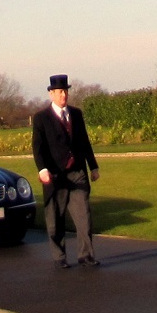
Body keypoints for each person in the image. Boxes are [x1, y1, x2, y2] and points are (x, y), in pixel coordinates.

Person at [30, 74, 100, 268]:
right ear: (51, 94)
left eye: (66, 91)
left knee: (84, 217)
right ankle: (59, 257)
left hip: (77, 173)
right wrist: (42, 169)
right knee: (56, 218)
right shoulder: (41, 118)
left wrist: (93, 166)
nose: (64, 95)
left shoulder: (76, 114)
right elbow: (37, 147)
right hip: (55, 175)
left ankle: (86, 256)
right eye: (60, 92)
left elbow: (84, 142)